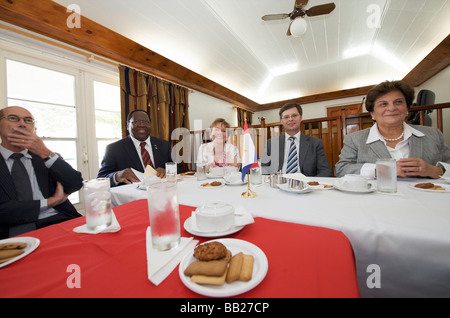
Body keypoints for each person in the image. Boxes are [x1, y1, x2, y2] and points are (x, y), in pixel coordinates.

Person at [335, 80, 450, 178]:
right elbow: (342, 169)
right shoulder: (355, 139)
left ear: (407, 109)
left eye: (398, 102)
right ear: (372, 114)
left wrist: (436, 171)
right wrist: (382, 170)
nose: (392, 108)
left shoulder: (433, 134)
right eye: (383, 104)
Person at [0, 106, 83, 239]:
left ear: (34, 129)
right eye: (13, 118)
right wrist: (50, 202)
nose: (22, 124)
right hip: (11, 230)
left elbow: (75, 184)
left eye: (28, 120)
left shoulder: (44, 156)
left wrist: (45, 152)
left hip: (58, 219)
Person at [97, 109, 175, 186]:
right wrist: (117, 176)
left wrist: (167, 171)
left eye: (145, 122)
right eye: (136, 121)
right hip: (132, 196)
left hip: (163, 191)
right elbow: (101, 178)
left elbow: (178, 168)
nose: (142, 125)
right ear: (128, 125)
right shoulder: (114, 149)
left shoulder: (163, 145)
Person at [261, 103, 333, 177]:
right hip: (278, 184)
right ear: (281, 121)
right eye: (286, 117)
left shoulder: (315, 143)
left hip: (305, 186)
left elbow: (325, 171)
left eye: (294, 115)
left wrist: (310, 184)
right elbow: (264, 170)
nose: (290, 119)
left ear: (301, 118)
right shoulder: (271, 144)